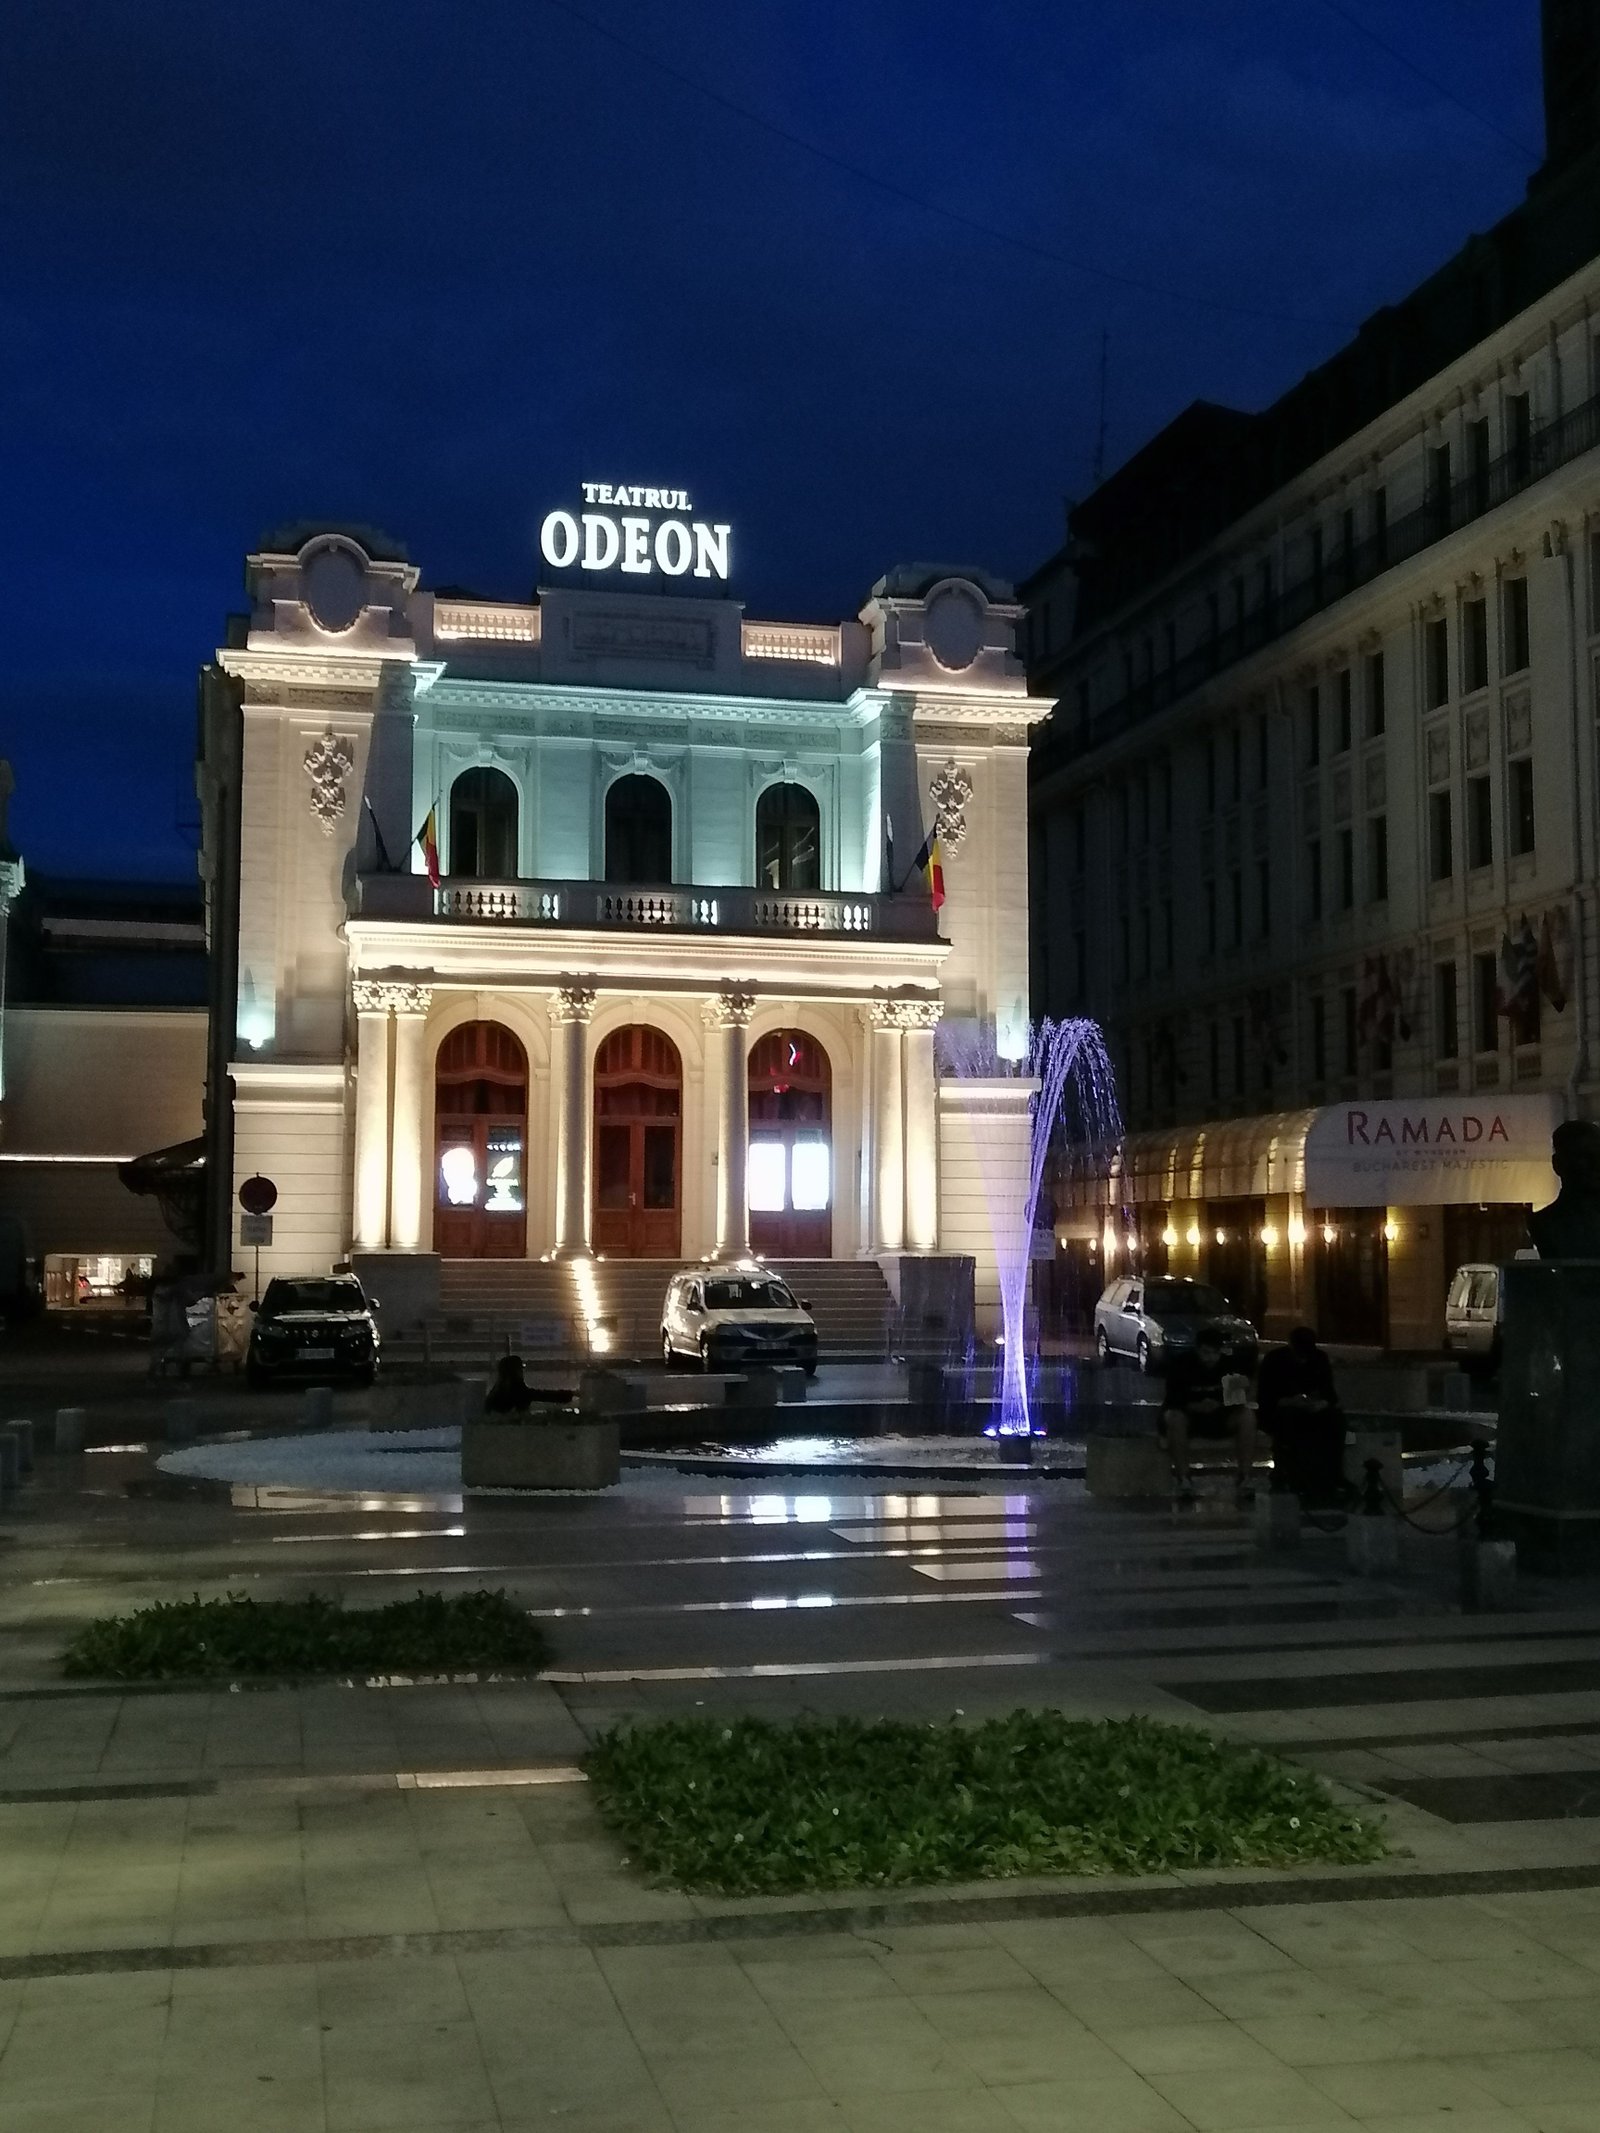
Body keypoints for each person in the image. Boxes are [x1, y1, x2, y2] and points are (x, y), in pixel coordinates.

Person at [1162, 1323, 1256, 1504]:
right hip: (1190, 1417)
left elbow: (1237, 1401)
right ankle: (1184, 1479)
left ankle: (1244, 1476)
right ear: (1198, 1350)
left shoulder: (1229, 1365)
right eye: (1206, 1352)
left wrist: (1218, 1405)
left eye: (1214, 1353)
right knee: (1174, 1418)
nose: (1210, 1358)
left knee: (1247, 1416)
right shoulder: (1182, 1365)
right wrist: (1195, 1406)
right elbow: (1173, 1400)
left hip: (1220, 1417)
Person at [1256, 1326, 1347, 1506]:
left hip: (1311, 1409)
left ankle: (1333, 1473)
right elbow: (1266, 1398)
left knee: (1335, 1420)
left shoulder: (1319, 1358)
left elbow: (1329, 1393)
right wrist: (1290, 1401)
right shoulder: (1275, 1360)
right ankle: (1293, 1473)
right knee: (1289, 1421)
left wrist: (1321, 1403)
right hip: (1282, 1410)